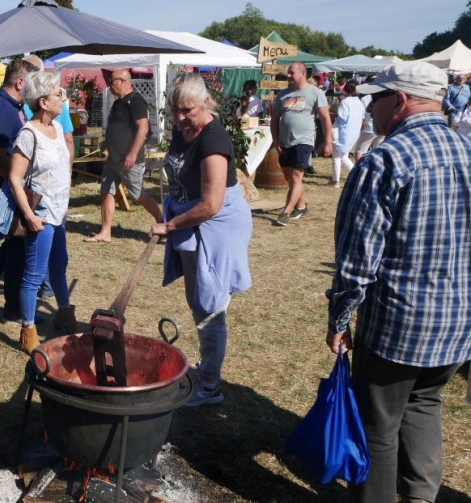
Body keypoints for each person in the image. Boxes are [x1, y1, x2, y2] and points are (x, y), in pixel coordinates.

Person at [326, 61, 470, 503]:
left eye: (377, 98)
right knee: (427, 400)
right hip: (457, 323)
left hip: (399, 324)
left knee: (379, 420)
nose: (370, 106)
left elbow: (356, 256)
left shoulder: (385, 159)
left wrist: (340, 316)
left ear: (401, 101)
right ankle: (421, 492)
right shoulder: (468, 149)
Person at [149, 73, 252, 407]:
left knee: (211, 307)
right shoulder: (184, 132)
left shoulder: (214, 140)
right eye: (175, 110)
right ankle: (207, 369)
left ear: (205, 103)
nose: (179, 118)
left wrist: (170, 224)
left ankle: (209, 384)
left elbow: (211, 204)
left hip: (216, 225)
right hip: (191, 220)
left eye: (187, 110)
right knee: (198, 301)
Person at [9, 71, 78, 353]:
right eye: (57, 94)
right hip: (42, 212)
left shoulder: (58, 129)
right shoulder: (28, 134)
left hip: (59, 212)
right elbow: (15, 178)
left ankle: (64, 313)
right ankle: (28, 329)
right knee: (35, 273)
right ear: (43, 101)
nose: (63, 98)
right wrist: (30, 215)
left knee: (60, 264)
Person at [0, 57, 40, 321]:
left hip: (13, 186)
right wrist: (14, 184)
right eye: (31, 84)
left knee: (14, 246)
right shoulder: (0, 110)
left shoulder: (13, 105)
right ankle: (12, 308)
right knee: (15, 247)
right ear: (19, 82)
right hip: (7, 188)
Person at [86, 69, 164, 243]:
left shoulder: (136, 101)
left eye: (112, 81)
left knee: (137, 194)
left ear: (122, 81)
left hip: (130, 160)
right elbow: (117, 127)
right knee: (106, 191)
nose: (110, 85)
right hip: (113, 159)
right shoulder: (117, 103)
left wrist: (133, 153)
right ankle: (106, 232)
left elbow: (143, 128)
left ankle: (162, 221)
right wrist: (107, 143)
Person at [270, 61, 333, 226]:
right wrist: (276, 141)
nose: (289, 75)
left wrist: (328, 142)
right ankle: (301, 206)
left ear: (303, 73)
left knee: (296, 176)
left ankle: (285, 213)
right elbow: (274, 119)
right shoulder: (282, 94)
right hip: (285, 142)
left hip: (304, 141)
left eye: (292, 72)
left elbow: (326, 118)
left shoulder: (315, 93)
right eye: (288, 73)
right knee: (290, 178)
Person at [330, 80, 365, 189]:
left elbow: (342, 117)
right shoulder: (359, 102)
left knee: (337, 157)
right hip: (353, 133)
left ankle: (335, 181)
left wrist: (333, 114)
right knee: (343, 157)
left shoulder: (345, 102)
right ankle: (357, 175)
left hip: (343, 132)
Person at [353, 76, 385, 160]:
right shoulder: (384, 97)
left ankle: (359, 171)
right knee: (378, 152)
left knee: (360, 151)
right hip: (381, 128)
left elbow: (361, 114)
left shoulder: (365, 98)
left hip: (369, 128)